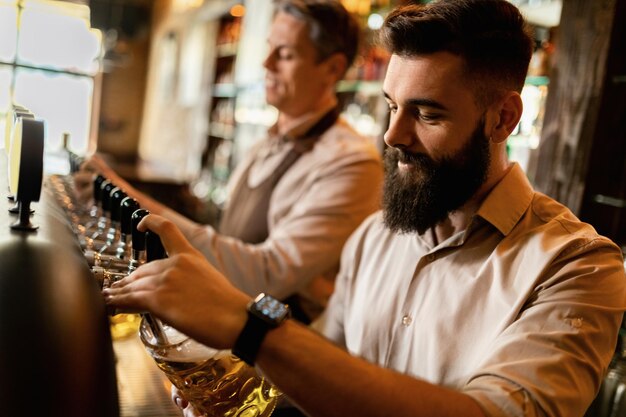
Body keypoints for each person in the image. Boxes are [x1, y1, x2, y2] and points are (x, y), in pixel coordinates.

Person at [103, 1, 626, 416]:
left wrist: (250, 327)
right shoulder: (374, 236)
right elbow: (322, 364)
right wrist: (235, 384)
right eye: (392, 107)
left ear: (503, 118)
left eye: (427, 113)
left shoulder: (577, 268)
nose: (393, 135)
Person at [79, 0, 383, 322]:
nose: (266, 63)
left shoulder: (352, 162)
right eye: (269, 48)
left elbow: (265, 274)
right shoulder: (268, 139)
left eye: (286, 54)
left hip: (278, 345)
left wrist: (130, 196)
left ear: (332, 68)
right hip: (226, 317)